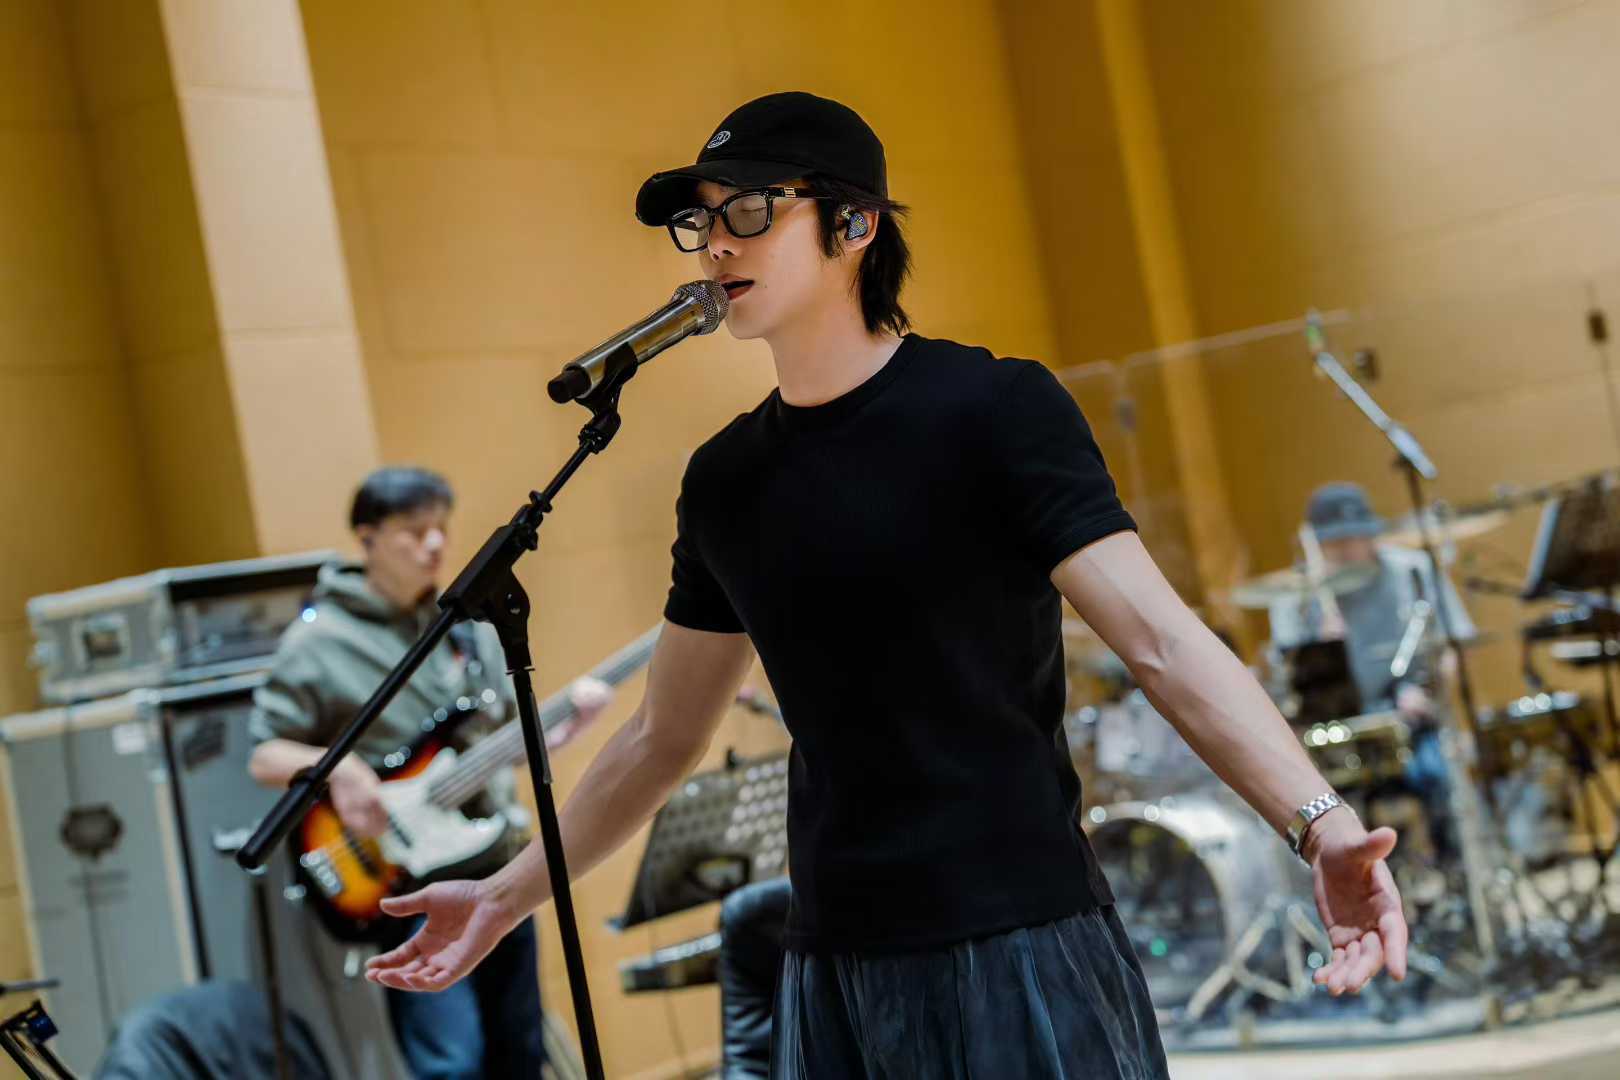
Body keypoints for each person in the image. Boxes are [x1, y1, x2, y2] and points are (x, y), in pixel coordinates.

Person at [365, 93, 1408, 1078]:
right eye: (702, 220)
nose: (717, 241)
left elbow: (1164, 645)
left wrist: (1320, 824)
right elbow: (657, 738)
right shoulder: (726, 482)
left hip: (1021, 937)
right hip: (834, 966)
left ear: (855, 225)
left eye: (750, 210)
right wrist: (505, 896)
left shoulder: (994, 411)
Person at [247, 466, 612, 1080]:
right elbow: (263, 755)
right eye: (414, 532)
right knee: (451, 1063)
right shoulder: (318, 643)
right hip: (407, 877)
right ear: (367, 538)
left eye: (441, 528)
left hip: (499, 866)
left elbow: (504, 740)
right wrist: (339, 771)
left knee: (520, 1052)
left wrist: (563, 729)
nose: (435, 544)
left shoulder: (468, 628)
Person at [1269, 481, 1477, 859]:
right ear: (1317, 545)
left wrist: (1429, 693)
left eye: (1356, 537)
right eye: (1336, 541)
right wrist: (1318, 648)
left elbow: (1451, 647)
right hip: (1338, 733)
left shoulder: (1412, 571)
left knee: (1437, 776)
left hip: (1408, 718)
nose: (1348, 549)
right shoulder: (1297, 597)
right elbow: (1289, 685)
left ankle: (1454, 869)